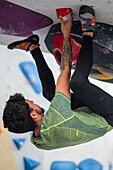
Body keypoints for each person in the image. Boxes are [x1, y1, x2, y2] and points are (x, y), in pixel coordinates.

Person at [3, 6, 113, 150]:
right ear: (34, 115)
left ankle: (32, 47)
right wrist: (65, 33)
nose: (31, 100)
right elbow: (65, 70)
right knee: (77, 83)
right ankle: (88, 31)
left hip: (83, 114)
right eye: (30, 103)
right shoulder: (58, 116)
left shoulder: (38, 141)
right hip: (108, 116)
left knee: (49, 93)